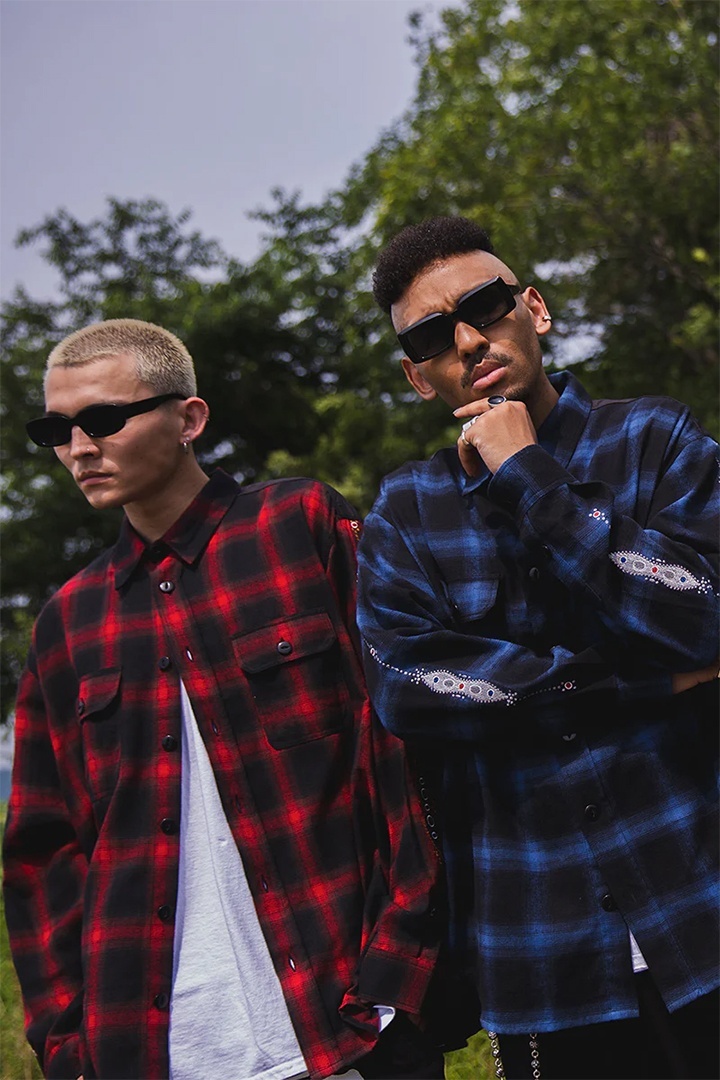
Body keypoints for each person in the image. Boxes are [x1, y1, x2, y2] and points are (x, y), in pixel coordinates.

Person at [3, 318, 446, 1080]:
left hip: (349, 1025)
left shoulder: (299, 527)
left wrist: (399, 968)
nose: (78, 448)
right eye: (57, 429)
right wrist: (70, 1047)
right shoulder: (68, 622)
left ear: (190, 418)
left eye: (103, 419)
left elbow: (402, 748)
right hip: (153, 1053)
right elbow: (43, 855)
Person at [355, 217, 719, 1080]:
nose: (468, 341)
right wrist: (641, 686)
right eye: (433, 338)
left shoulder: (656, 440)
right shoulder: (406, 513)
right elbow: (408, 688)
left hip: (703, 902)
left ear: (536, 310)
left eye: (485, 306)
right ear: (417, 377)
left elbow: (702, 617)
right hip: (544, 953)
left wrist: (529, 476)